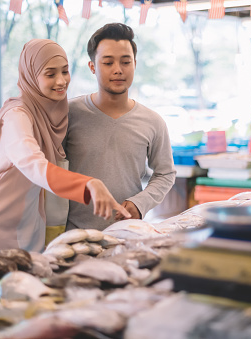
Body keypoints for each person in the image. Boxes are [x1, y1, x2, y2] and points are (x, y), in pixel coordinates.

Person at [0, 39, 130, 256]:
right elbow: (32, 162)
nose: (61, 81)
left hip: (24, 221)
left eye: (65, 71)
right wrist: (88, 184)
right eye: (50, 74)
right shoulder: (16, 116)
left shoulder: (52, 113)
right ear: (31, 75)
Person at [64, 23, 176, 231]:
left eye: (125, 62)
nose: (118, 70)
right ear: (92, 67)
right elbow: (50, 170)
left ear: (134, 64)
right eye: (108, 62)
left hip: (128, 233)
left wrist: (140, 203)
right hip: (74, 234)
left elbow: (165, 173)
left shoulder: (153, 121)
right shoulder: (68, 114)